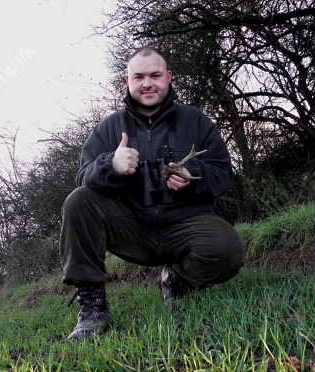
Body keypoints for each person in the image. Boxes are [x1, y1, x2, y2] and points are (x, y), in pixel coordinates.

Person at [60, 46, 245, 340]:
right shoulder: (108, 127)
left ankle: (177, 281)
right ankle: (93, 308)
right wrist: (110, 166)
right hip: (132, 228)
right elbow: (82, 178)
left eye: (155, 75)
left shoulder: (196, 121)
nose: (147, 83)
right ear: (127, 81)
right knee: (78, 201)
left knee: (229, 248)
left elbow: (223, 173)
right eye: (139, 76)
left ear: (168, 77)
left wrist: (192, 177)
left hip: (185, 224)